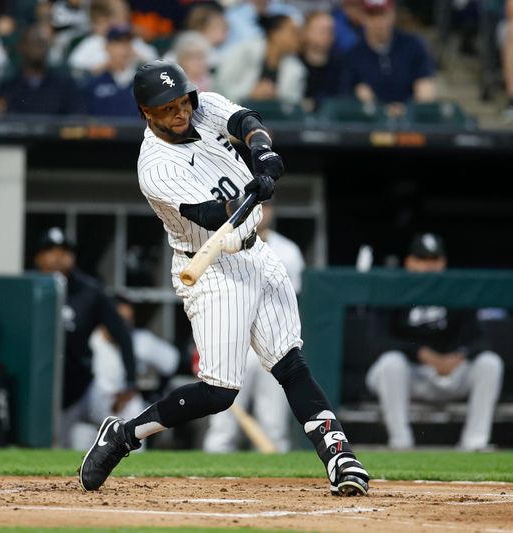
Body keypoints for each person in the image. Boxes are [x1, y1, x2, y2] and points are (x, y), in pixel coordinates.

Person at [78, 59, 370, 497]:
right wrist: (248, 196)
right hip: (210, 266)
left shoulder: (202, 106)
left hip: (257, 253)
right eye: (167, 108)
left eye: (182, 101)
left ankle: (338, 454)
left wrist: (263, 156)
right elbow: (212, 216)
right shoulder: (155, 167)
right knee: (220, 392)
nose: (180, 112)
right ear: (145, 112)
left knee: (289, 362)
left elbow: (247, 123)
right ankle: (124, 435)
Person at [365, 232, 504, 451]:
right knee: (391, 363)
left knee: (490, 363)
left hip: (449, 374)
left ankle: (474, 443)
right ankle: (401, 442)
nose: (428, 267)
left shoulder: (457, 291)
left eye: (433, 260)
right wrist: (421, 353)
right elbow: (377, 342)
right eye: (422, 260)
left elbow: (479, 339)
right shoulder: (392, 289)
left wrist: (459, 356)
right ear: (409, 262)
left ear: (443, 263)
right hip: (411, 375)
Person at [203, 199, 303, 453]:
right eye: (257, 205)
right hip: (232, 343)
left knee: (274, 428)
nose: (262, 211)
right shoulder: (221, 243)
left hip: (272, 345)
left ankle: (277, 492)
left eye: (267, 205)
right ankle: (208, 486)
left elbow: (292, 302)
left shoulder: (288, 251)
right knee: (222, 428)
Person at [32, 226, 137, 448]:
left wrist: (130, 382)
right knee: (50, 449)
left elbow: (123, 334)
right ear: (39, 257)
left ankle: (137, 477)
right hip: (40, 392)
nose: (59, 257)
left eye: (65, 251)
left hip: (82, 386)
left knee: (130, 414)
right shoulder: (28, 288)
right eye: (51, 250)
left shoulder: (89, 291)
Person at [82, 295, 180, 449]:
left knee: (133, 414)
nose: (124, 325)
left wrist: (153, 395)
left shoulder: (140, 341)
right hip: (87, 417)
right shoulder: (89, 338)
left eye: (129, 320)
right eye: (120, 319)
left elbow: (172, 362)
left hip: (124, 414)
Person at [340, 0, 436, 118]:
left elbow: (425, 87)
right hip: (369, 121)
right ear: (363, 17)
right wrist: (376, 107)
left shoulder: (413, 46)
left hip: (411, 121)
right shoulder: (353, 53)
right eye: (373, 15)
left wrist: (409, 109)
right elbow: (347, 96)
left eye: (383, 14)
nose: (379, 22)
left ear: (393, 14)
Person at [215, 13, 306, 105]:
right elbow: (221, 87)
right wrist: (250, 93)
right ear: (274, 33)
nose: (300, 38)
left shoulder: (297, 68)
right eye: (294, 32)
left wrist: (276, 95)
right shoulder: (244, 52)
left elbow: (293, 103)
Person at [0, 23, 86, 115]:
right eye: (34, 42)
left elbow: (76, 119)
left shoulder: (65, 85)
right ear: (22, 46)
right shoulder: (8, 87)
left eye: (42, 43)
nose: (39, 48)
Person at [82, 25, 140, 118]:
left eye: (127, 43)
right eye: (118, 43)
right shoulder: (94, 82)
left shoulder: (143, 82)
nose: (123, 49)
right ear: (107, 47)